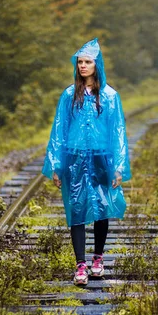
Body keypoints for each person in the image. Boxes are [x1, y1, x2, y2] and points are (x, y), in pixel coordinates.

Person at [42, 38, 131, 286]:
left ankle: (98, 259)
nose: (82, 66)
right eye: (80, 62)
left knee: (102, 207)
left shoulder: (111, 96)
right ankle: (80, 265)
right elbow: (59, 132)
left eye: (87, 62)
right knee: (77, 208)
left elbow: (118, 132)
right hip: (74, 157)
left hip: (102, 156)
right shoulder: (69, 95)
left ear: (97, 65)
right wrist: (56, 165)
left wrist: (119, 166)